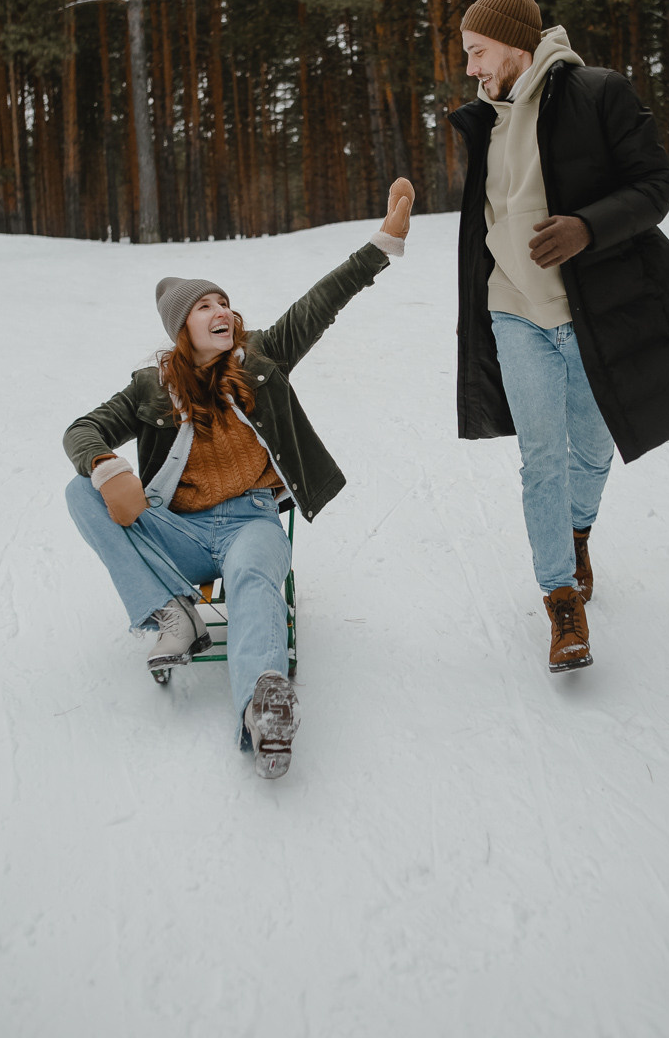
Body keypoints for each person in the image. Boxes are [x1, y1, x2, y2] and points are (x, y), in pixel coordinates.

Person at [449, 0, 669, 674]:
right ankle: (560, 600)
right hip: (513, 311)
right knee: (541, 460)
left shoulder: (596, 92)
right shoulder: (485, 120)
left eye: (477, 51)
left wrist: (588, 227)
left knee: (590, 450)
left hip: (591, 314)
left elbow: (656, 185)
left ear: (514, 44)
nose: (469, 67)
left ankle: (576, 530)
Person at [64, 179, 414, 778]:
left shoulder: (262, 358)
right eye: (205, 306)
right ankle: (172, 615)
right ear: (183, 327)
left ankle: (264, 704)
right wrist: (102, 464)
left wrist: (383, 243)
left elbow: (319, 302)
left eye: (223, 302)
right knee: (79, 490)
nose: (220, 310)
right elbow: (82, 429)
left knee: (254, 576)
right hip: (180, 532)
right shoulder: (152, 387)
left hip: (251, 520)